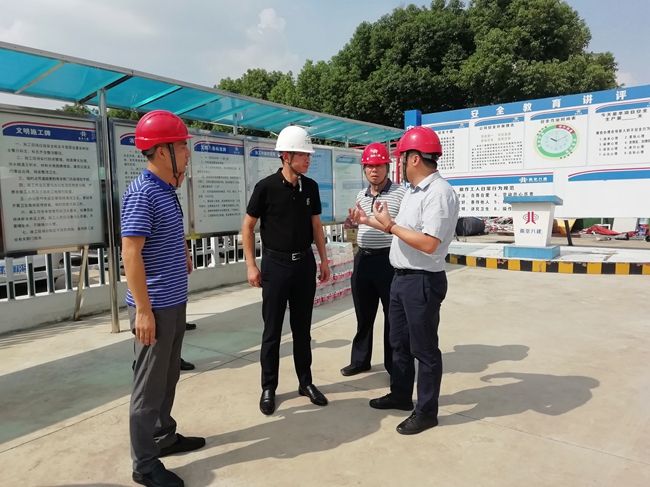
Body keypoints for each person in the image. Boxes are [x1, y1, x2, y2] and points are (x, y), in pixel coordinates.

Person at [350, 126, 459, 435]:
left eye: (400, 157)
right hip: (400, 277)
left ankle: (426, 412)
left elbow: (429, 243)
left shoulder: (439, 193)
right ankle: (400, 394)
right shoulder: (414, 191)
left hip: (422, 281)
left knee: (424, 350)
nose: (398, 163)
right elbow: (400, 229)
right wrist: (370, 221)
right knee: (398, 342)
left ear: (414, 158)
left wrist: (391, 226)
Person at [122, 110, 205, 487]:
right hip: (153, 306)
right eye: (181, 147)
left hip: (173, 302)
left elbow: (162, 235)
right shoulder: (142, 192)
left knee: (168, 376)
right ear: (161, 151)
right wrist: (143, 310)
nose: (187, 153)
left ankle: (163, 436)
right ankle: (144, 464)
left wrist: (181, 251)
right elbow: (131, 253)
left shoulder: (165, 189)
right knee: (148, 387)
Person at [241, 125, 331, 416]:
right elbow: (247, 227)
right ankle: (269, 387)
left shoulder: (310, 187)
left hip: (304, 264)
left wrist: (324, 260)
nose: (308, 159)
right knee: (272, 330)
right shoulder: (266, 187)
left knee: (303, 329)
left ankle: (306, 382)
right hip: (275, 266)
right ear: (286, 156)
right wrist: (251, 265)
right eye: (303, 155)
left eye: (309, 155)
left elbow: (316, 226)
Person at [341, 143, 405, 377]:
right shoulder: (361, 194)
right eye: (369, 166)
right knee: (363, 314)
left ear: (387, 167)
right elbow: (356, 224)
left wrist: (370, 221)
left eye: (378, 165)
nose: (374, 170)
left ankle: (394, 365)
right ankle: (360, 360)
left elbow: (401, 227)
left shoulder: (400, 193)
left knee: (393, 317)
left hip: (388, 261)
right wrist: (351, 223)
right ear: (364, 169)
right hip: (363, 259)